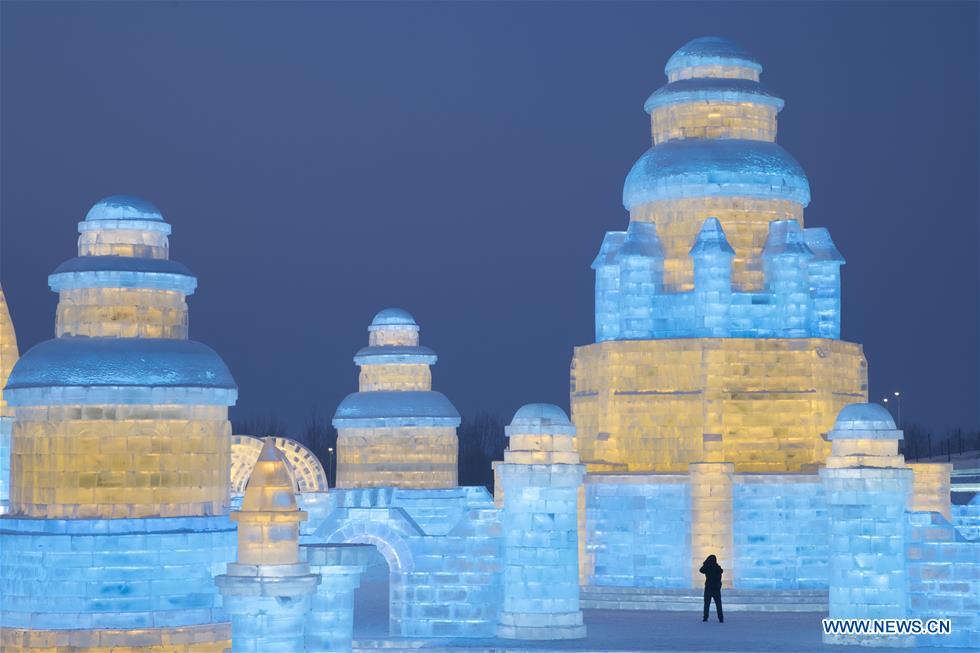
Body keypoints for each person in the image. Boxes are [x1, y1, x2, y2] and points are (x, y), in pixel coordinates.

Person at [699, 554, 724, 623]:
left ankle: (705, 617)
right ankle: (720, 618)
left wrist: (705, 563)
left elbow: (701, 570)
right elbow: (720, 573)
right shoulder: (717, 567)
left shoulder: (708, 567)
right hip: (716, 588)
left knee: (707, 604)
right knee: (718, 604)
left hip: (709, 588)